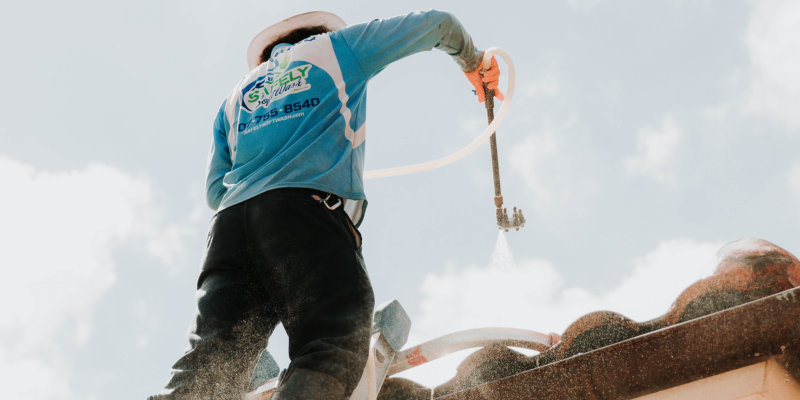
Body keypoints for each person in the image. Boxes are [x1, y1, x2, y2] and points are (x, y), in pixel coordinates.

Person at [149, 10, 503, 400]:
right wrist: (474, 62)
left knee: (211, 365)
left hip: (229, 231)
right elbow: (438, 24)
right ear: (318, 33)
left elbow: (216, 190)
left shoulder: (235, 98)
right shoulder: (336, 49)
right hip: (304, 214)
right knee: (332, 339)